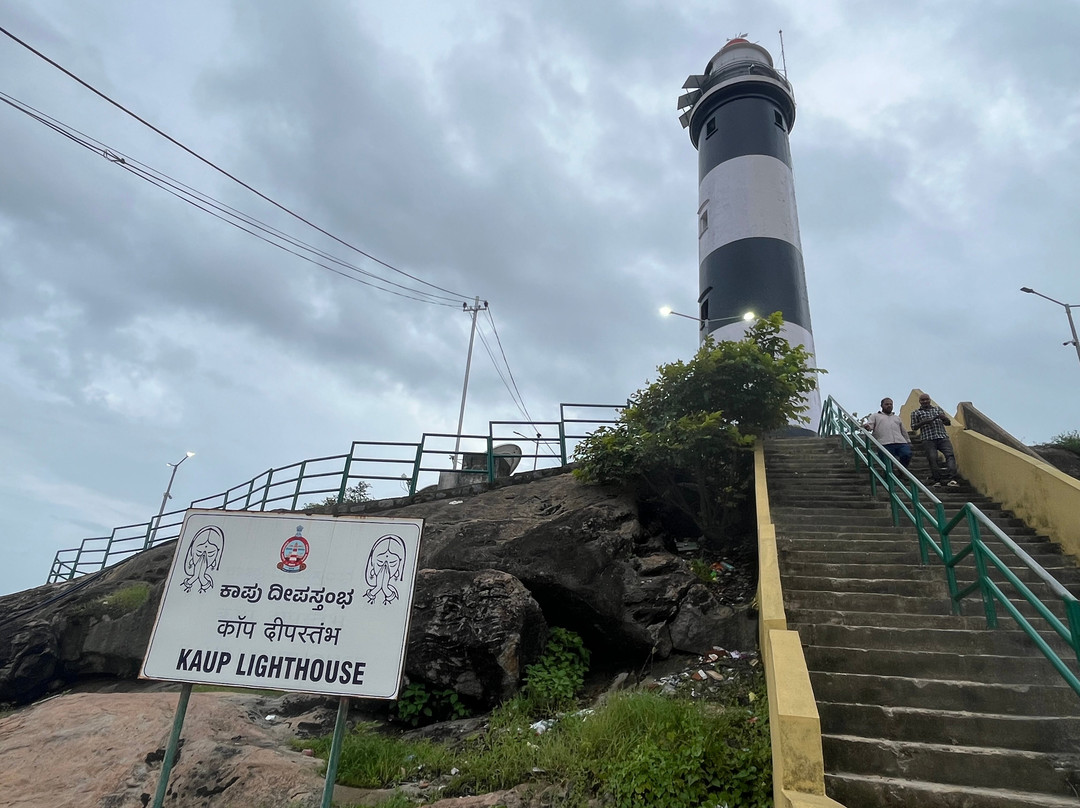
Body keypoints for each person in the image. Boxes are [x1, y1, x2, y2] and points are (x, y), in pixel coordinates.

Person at [910, 393, 958, 487]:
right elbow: (914, 427)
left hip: (942, 436)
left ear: (930, 400)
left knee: (950, 456)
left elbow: (947, 423)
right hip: (928, 439)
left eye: (926, 399)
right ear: (919, 402)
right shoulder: (916, 413)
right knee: (933, 459)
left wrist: (944, 419)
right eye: (923, 400)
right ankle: (937, 480)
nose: (925, 401)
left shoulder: (938, 410)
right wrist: (924, 422)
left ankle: (952, 478)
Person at [862, 397, 912, 468]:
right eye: (886, 404)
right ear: (881, 406)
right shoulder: (875, 416)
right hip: (884, 443)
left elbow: (903, 430)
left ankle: (902, 471)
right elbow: (870, 425)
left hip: (900, 442)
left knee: (907, 454)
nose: (889, 406)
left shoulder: (896, 417)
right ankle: (889, 478)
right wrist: (867, 427)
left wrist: (908, 441)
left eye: (891, 404)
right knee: (887, 464)